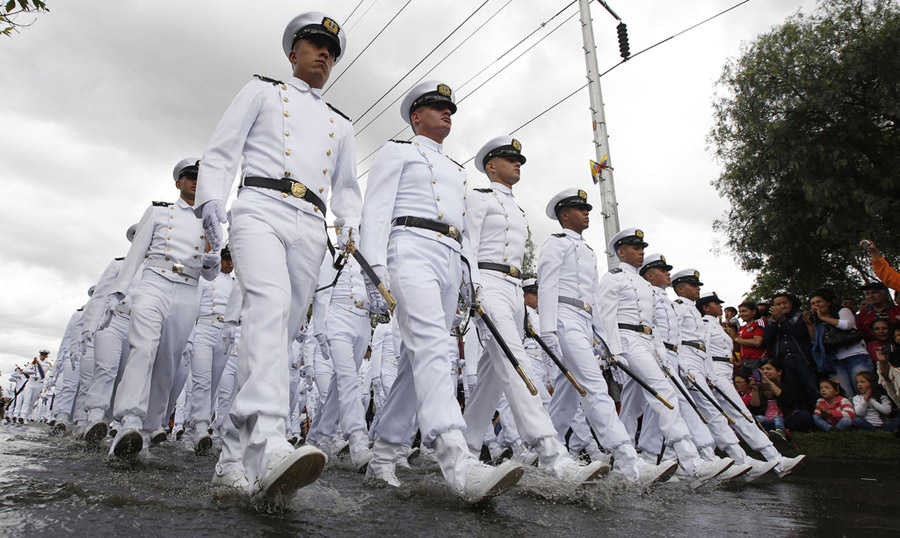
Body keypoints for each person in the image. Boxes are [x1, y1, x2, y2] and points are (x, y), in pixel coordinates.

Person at [194, 12, 363, 501]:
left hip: (310, 222)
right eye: (313, 45)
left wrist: (347, 221)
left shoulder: (340, 124)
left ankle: (230, 460)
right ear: (293, 54)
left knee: (276, 334)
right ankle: (268, 440)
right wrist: (211, 203)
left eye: (330, 50)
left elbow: (348, 188)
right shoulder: (263, 91)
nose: (323, 54)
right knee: (266, 307)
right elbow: (222, 150)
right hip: (260, 207)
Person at [359, 81, 523, 501]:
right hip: (409, 246)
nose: (447, 113)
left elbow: (463, 227)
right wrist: (373, 268)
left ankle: (384, 455)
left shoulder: (457, 170)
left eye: (449, 109)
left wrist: (470, 276)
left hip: (450, 256)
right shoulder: (397, 152)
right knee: (432, 347)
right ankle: (456, 460)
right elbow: (375, 210)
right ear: (416, 116)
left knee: (422, 362)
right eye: (436, 108)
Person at [461, 136, 608, 486]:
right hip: (489, 283)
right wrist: (473, 286)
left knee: (493, 377)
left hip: (513, 290)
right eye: (509, 159)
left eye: (520, 161)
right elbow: (467, 243)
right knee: (517, 363)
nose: (517, 164)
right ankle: (553, 455)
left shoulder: (518, 209)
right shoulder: (478, 199)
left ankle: (464, 449)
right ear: (490, 165)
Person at [540, 193, 699, 486]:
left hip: (584, 322)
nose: (586, 213)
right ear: (564, 215)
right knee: (595, 387)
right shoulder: (556, 243)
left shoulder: (588, 251)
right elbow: (547, 285)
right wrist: (547, 330)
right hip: (562, 316)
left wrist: (602, 342)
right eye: (579, 209)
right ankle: (628, 461)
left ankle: (540, 452)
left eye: (588, 209)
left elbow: (593, 304)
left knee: (567, 394)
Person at [107, 157, 219, 458]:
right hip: (154, 282)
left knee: (167, 361)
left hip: (188, 289)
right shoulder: (159, 212)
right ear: (178, 182)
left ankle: (147, 429)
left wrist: (212, 257)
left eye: (201, 177)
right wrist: (117, 292)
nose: (196, 181)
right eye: (189, 176)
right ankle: (129, 420)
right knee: (143, 348)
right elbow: (135, 254)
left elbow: (210, 274)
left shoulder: (211, 221)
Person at [598, 232, 717, 483]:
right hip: (627, 339)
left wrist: (660, 354)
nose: (640, 251)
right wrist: (613, 352)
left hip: (646, 342)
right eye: (635, 247)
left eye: (642, 247)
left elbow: (654, 326)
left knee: (631, 405)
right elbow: (605, 315)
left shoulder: (644, 285)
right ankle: (690, 459)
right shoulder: (614, 277)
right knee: (664, 393)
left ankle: (625, 459)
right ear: (621, 252)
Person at [806, 288, 873, 396]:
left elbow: (847, 325)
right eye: (813, 303)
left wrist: (823, 317)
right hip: (835, 361)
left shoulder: (842, 311)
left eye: (819, 302)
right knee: (845, 395)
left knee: (864, 392)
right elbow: (814, 341)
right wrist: (809, 324)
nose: (816, 305)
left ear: (828, 302)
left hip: (855, 356)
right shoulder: (816, 320)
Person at [770, 292, 819, 409]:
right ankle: (804, 417)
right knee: (794, 391)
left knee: (811, 388)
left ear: (791, 303)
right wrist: (772, 323)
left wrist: (781, 319)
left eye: (785, 303)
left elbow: (798, 333)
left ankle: (820, 416)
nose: (782, 306)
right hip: (783, 361)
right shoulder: (772, 320)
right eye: (778, 304)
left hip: (802, 358)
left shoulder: (801, 316)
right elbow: (768, 340)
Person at [725, 301, 768, 378]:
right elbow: (737, 348)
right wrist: (731, 336)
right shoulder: (742, 328)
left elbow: (757, 342)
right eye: (740, 312)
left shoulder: (759, 322)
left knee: (759, 384)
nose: (741, 314)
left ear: (754, 311)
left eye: (744, 311)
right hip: (745, 363)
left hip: (758, 361)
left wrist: (736, 338)